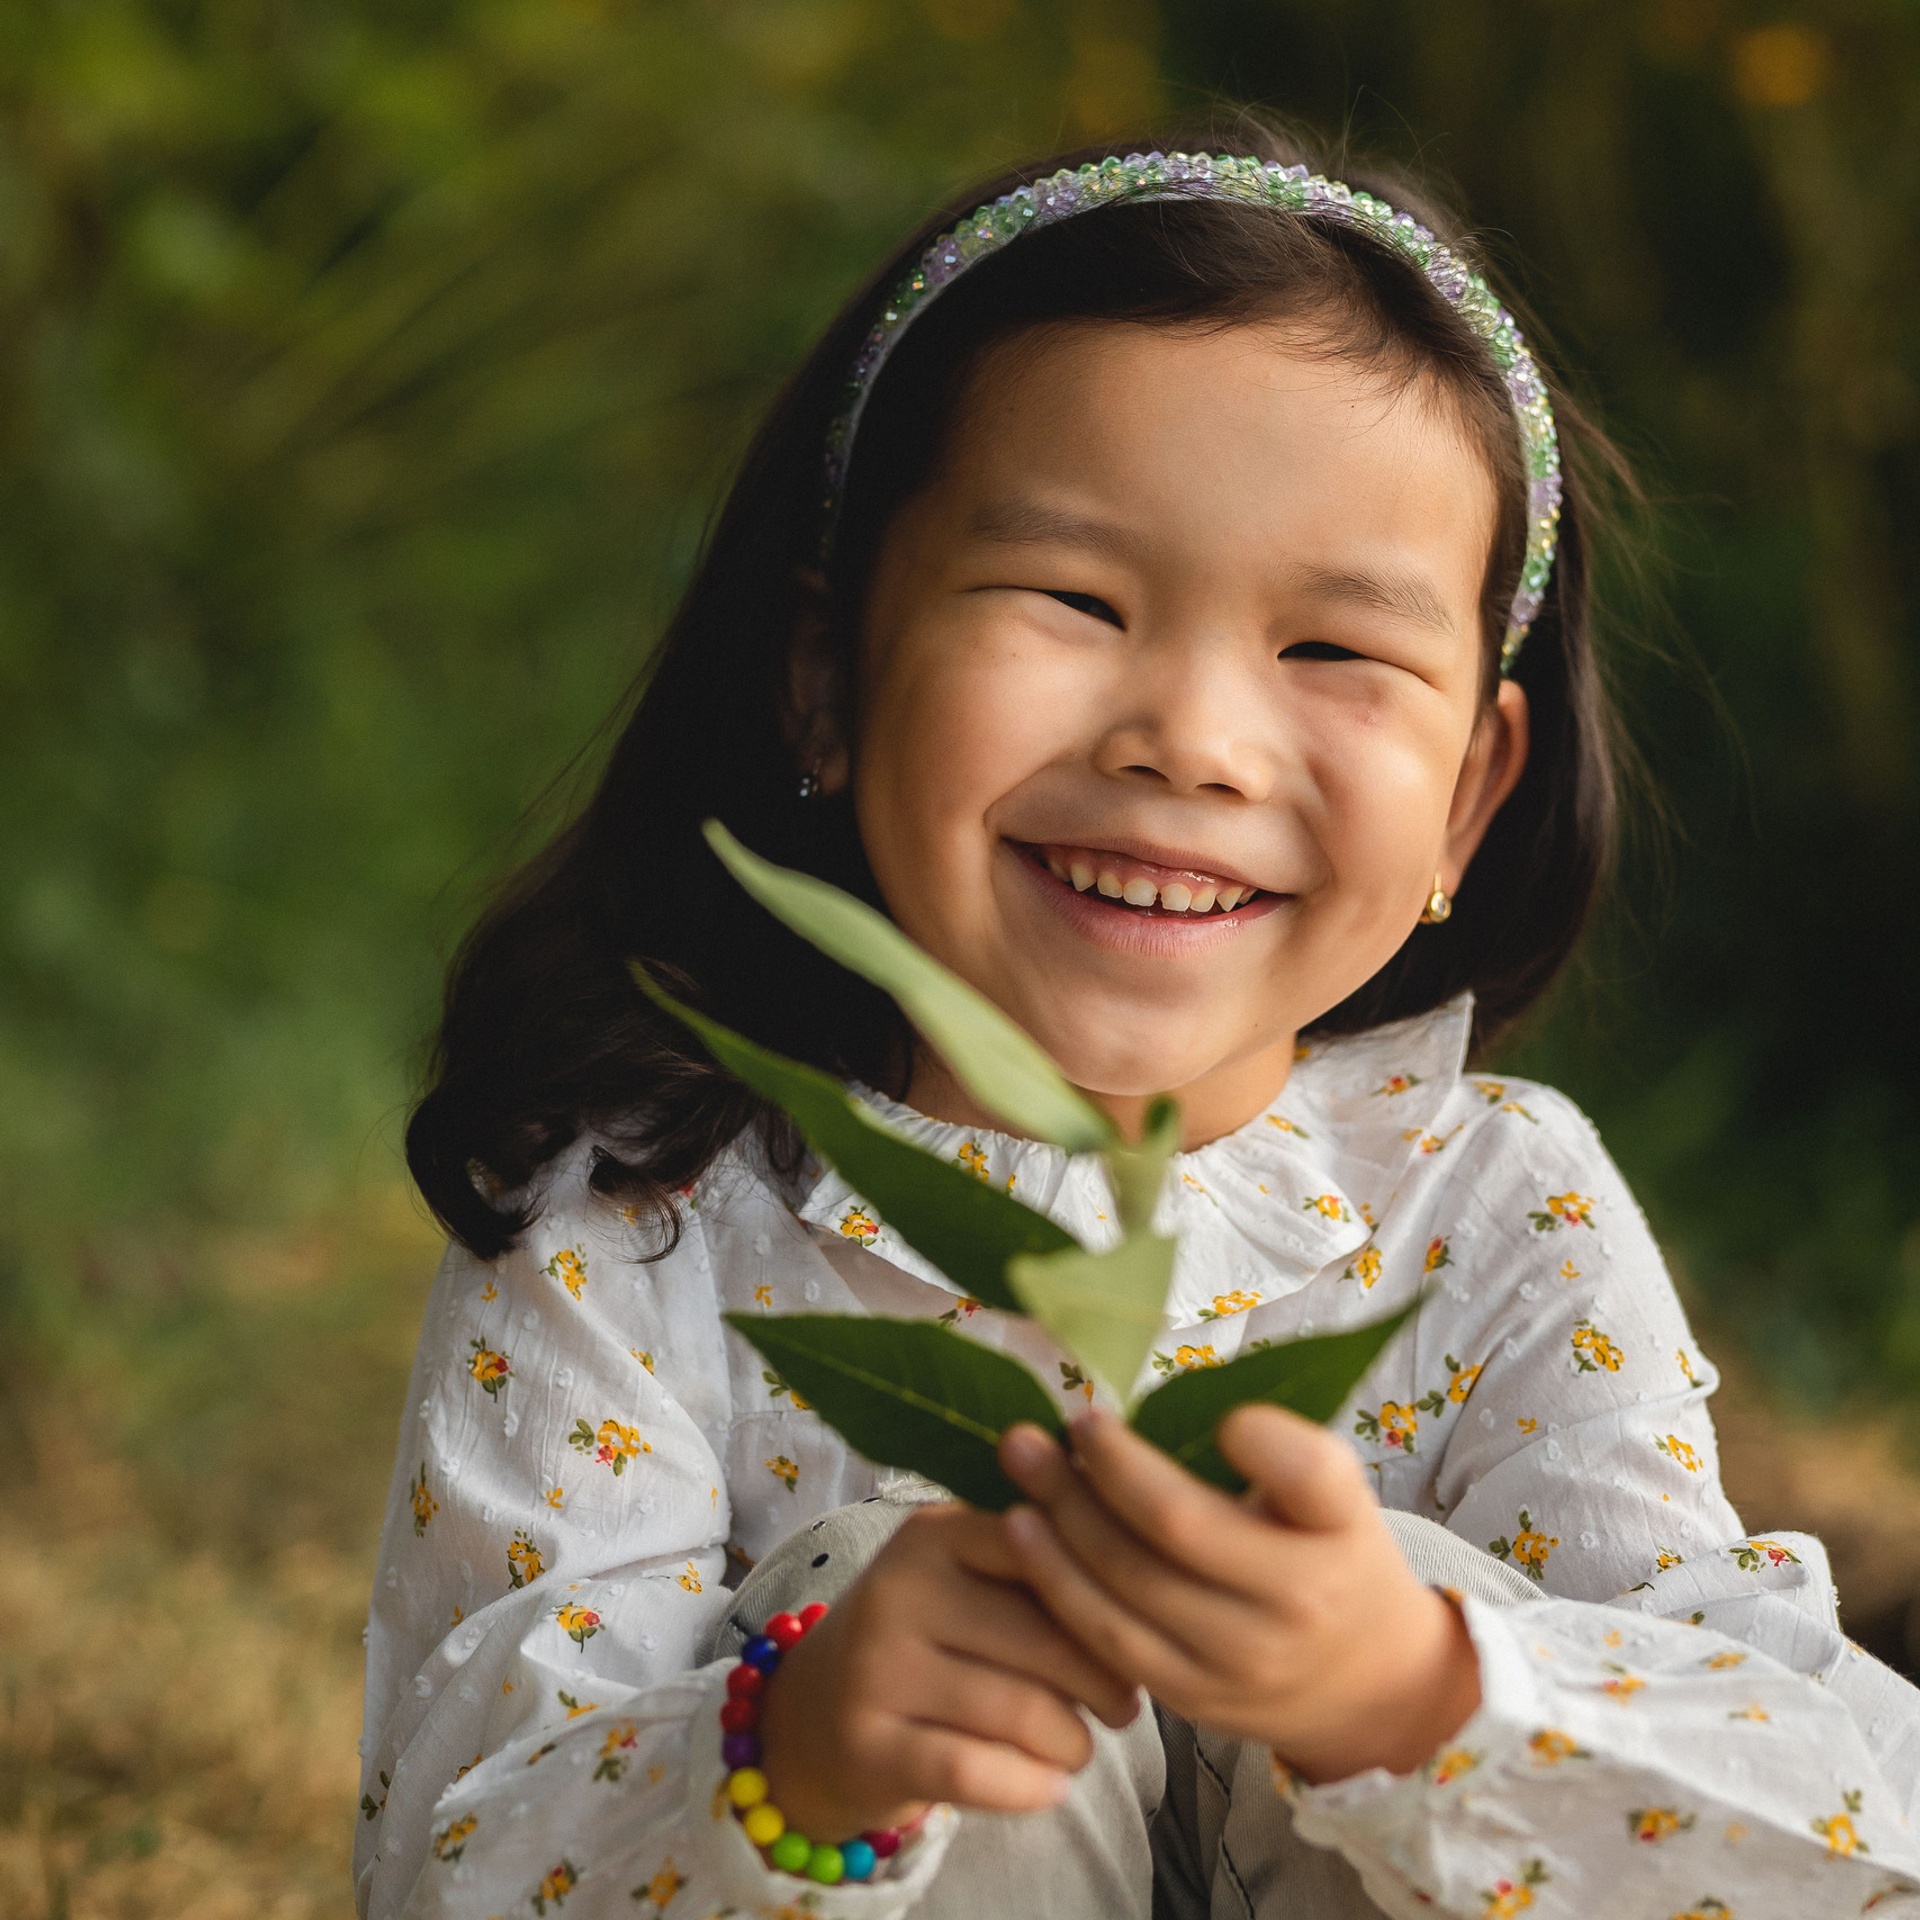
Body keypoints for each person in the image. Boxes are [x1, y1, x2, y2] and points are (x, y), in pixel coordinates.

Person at [357, 118, 1920, 1920]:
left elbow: (1832, 1826)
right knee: (901, 1573)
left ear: (1471, 801)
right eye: (1074, 599)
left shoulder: (1492, 1218)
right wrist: (803, 1762)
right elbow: (452, 1852)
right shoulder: (640, 1216)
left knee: (1424, 1604)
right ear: (826, 678)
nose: (1191, 738)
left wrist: (1406, 1692)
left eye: (1334, 650)